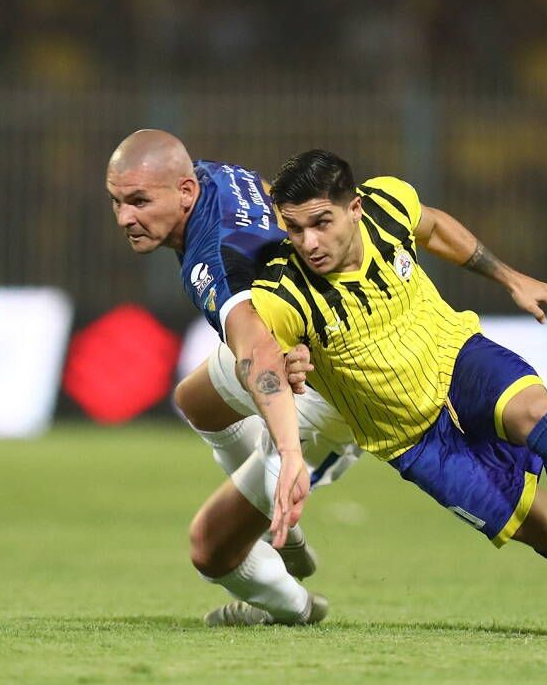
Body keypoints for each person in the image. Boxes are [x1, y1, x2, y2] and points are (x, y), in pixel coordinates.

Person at [236, 147, 547, 636]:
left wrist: (510, 278)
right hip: (413, 438)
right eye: (294, 228)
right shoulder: (282, 293)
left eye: (321, 223)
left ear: (355, 208)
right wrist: (290, 366)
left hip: (458, 358)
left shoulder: (387, 203)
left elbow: (431, 227)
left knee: (536, 412)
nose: (309, 242)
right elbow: (259, 362)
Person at [106, 129, 359, 626]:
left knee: (209, 550)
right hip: (292, 341)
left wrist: (287, 453)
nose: (125, 218)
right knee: (197, 398)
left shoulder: (212, 259)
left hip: (328, 387)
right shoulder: (213, 176)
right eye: (116, 202)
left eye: (138, 201)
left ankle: (294, 608)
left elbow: (258, 353)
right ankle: (282, 533)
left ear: (184, 192)